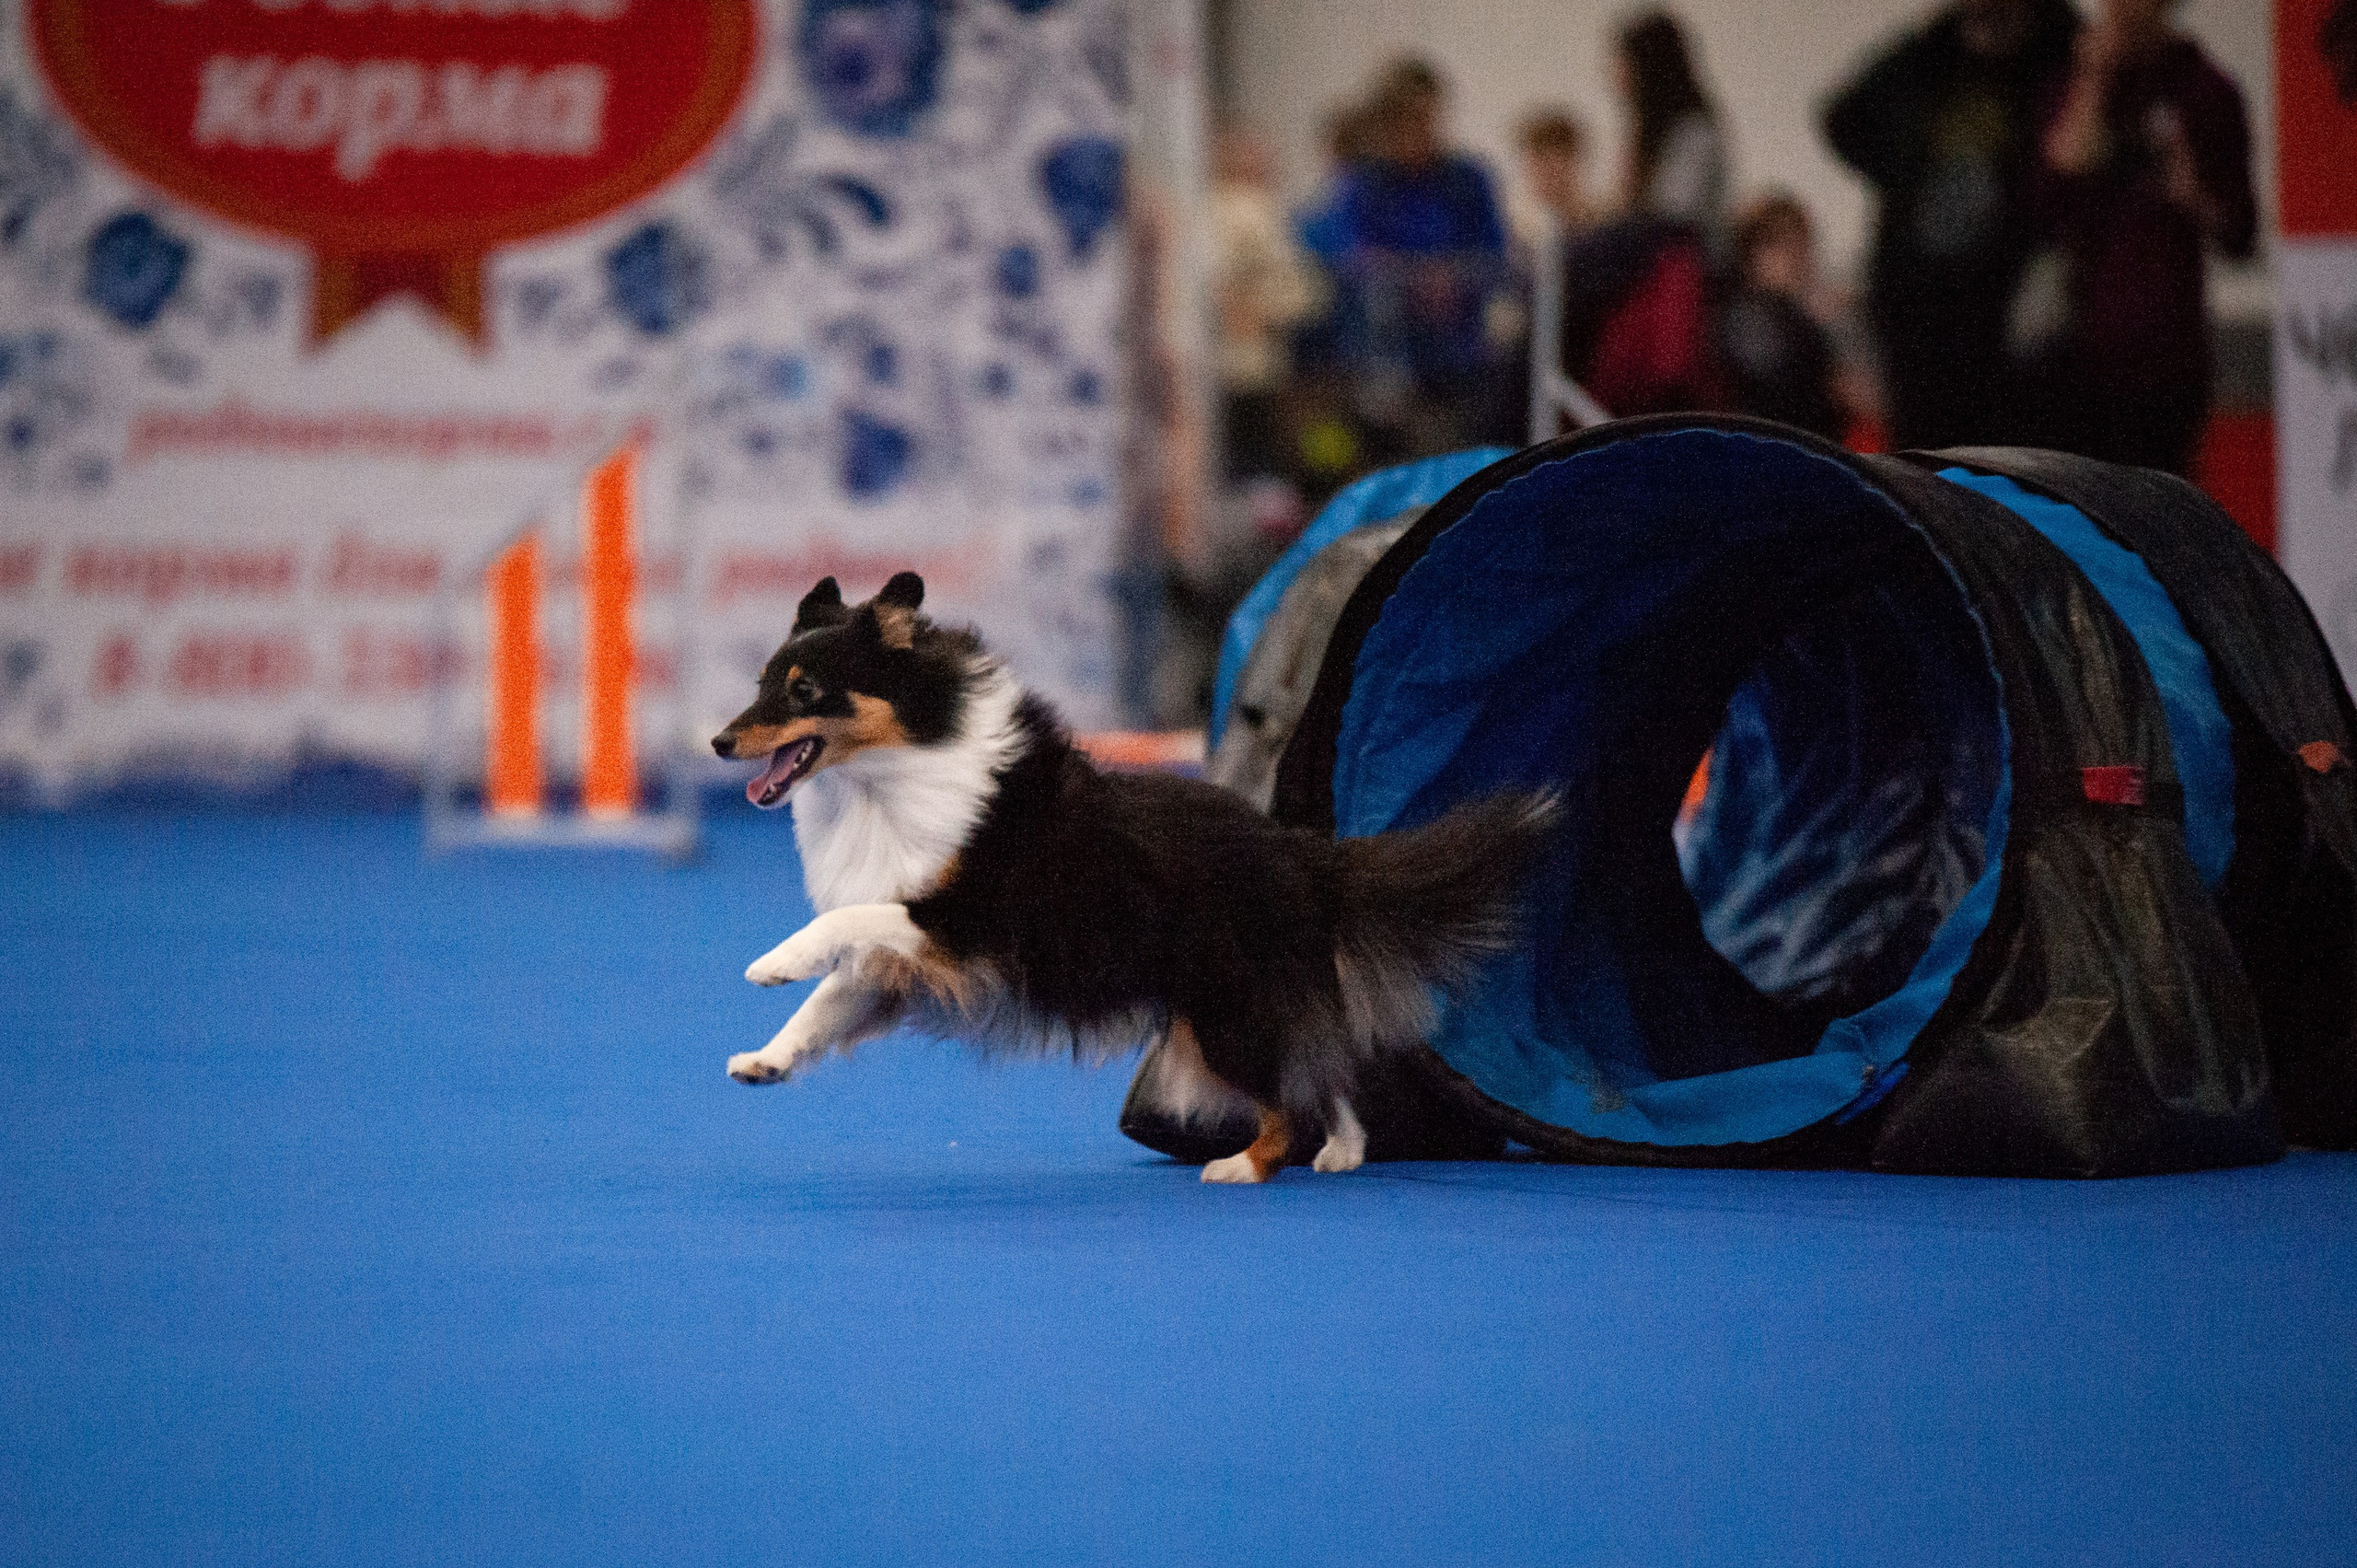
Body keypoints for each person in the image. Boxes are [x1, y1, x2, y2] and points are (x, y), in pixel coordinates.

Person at [1822, 0, 2081, 450]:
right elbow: (1842, 118)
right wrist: (1901, 178)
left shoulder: (2061, 53)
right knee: (1924, 462)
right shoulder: (1926, 55)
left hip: (2008, 301)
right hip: (1919, 304)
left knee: (2007, 461)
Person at [2032, 0, 2256, 474]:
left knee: (2159, 519)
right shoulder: (2075, 83)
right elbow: (2056, 182)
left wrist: (2192, 194)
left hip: (2169, 361)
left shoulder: (2206, 91)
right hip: (2080, 357)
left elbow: (2241, 234)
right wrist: (2093, 76)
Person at [1298, 58, 1511, 455]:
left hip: (1459, 354)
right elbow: (1346, 257)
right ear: (1386, 120)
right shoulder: (1361, 184)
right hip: (1382, 362)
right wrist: (1413, 279)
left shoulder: (1469, 179)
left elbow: (1496, 255)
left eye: (1428, 116)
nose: (1420, 130)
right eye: (1407, 118)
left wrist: (1453, 278)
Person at [1208, 124, 1320, 483]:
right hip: (1242, 368)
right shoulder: (1247, 212)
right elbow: (1296, 293)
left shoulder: (1243, 211)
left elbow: (1297, 293)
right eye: (1251, 153)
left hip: (1243, 369)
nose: (1264, 162)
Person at [1715, 193, 1852, 442]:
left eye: (1800, 248)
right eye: (1782, 247)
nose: (1797, 260)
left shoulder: (1797, 314)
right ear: (1752, 253)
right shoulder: (1745, 315)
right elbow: (1773, 385)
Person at [1614, 12, 1729, 250]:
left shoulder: (1694, 134)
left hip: (1687, 262)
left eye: (1624, 65)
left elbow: (1676, 215)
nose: (1616, 77)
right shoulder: (1642, 133)